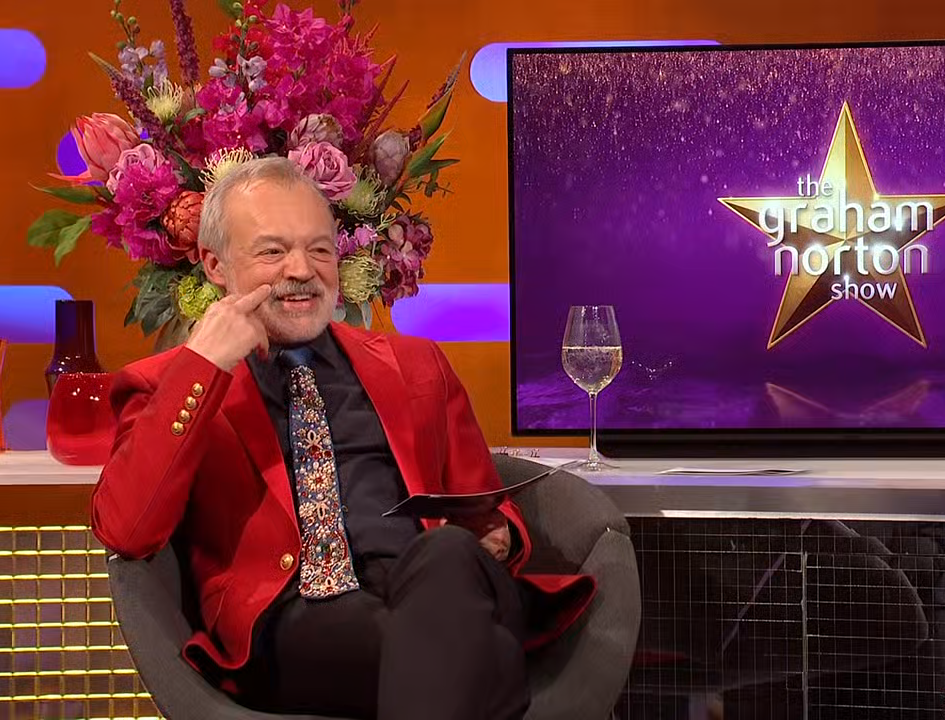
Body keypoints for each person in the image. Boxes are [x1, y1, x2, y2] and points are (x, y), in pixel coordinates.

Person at [91, 156, 596, 720]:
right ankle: (485, 668)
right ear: (214, 264)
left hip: (438, 580)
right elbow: (127, 529)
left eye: (320, 249)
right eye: (272, 252)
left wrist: (496, 532)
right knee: (468, 651)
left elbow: (482, 505)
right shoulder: (168, 385)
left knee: (447, 555)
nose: (302, 270)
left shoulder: (417, 363)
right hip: (301, 616)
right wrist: (204, 364)